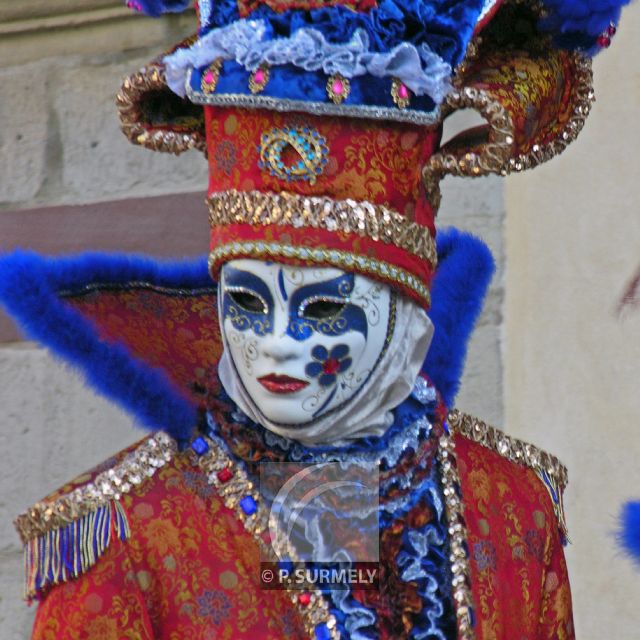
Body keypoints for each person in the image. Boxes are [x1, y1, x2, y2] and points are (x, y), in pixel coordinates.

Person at [0, 0, 631, 637]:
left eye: (324, 308)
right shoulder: (124, 533)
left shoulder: (513, 506)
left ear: (401, 310)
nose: (277, 343)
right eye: (246, 303)